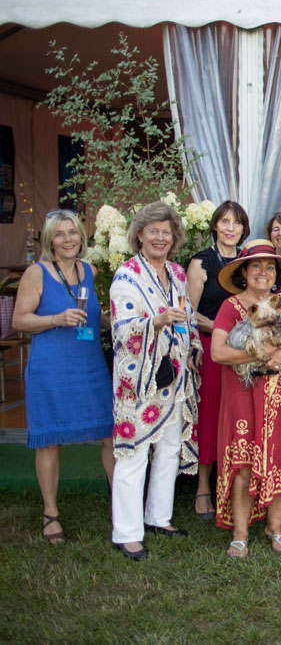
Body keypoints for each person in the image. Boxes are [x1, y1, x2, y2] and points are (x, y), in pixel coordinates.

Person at [12, 209, 114, 544]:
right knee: (49, 439)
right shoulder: (36, 273)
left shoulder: (89, 270)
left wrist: (125, 324)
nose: (67, 239)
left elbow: (94, 315)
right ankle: (50, 512)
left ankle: (121, 505)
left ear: (81, 237)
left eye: (72, 232)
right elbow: (19, 321)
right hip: (51, 367)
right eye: (60, 233)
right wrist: (55, 319)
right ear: (49, 240)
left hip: (89, 365)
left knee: (110, 432)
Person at [108, 202, 202, 560]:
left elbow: (188, 316)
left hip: (175, 377)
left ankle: (158, 516)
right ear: (140, 235)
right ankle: (126, 531)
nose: (160, 238)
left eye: (166, 232)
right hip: (141, 381)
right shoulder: (127, 276)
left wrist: (193, 346)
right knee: (133, 452)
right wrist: (157, 322)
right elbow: (123, 330)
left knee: (170, 447)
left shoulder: (177, 273)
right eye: (154, 231)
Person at [212, 239, 281, 558]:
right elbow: (218, 352)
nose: (263, 272)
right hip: (244, 396)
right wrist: (260, 352)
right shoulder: (230, 307)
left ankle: (275, 527)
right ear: (244, 272)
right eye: (256, 266)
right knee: (243, 465)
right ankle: (240, 534)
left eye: (270, 267)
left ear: (277, 274)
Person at [186, 200, 250, 519]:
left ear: (244, 228)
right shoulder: (202, 262)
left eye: (236, 222)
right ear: (214, 226)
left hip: (246, 353)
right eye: (224, 221)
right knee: (211, 416)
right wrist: (222, 328)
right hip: (213, 349)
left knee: (240, 419)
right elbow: (188, 312)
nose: (230, 228)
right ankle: (203, 488)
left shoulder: (248, 261)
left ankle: (235, 487)